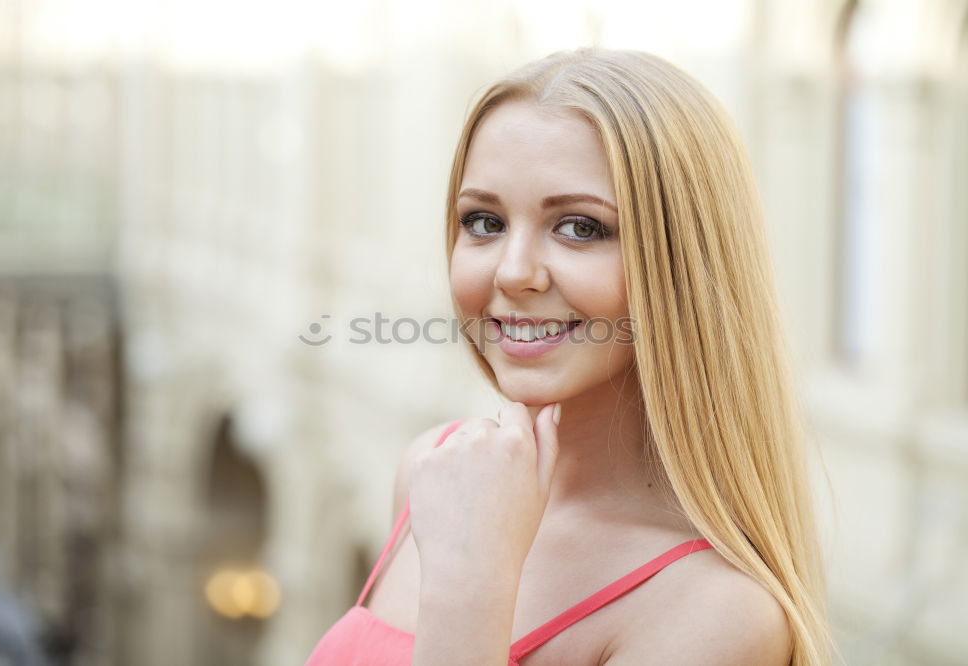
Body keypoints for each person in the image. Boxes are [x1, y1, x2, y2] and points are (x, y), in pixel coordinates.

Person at [305, 47, 830, 665]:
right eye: (483, 221)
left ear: (684, 268)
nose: (515, 271)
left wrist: (471, 590)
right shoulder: (437, 469)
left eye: (580, 227)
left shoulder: (716, 612)